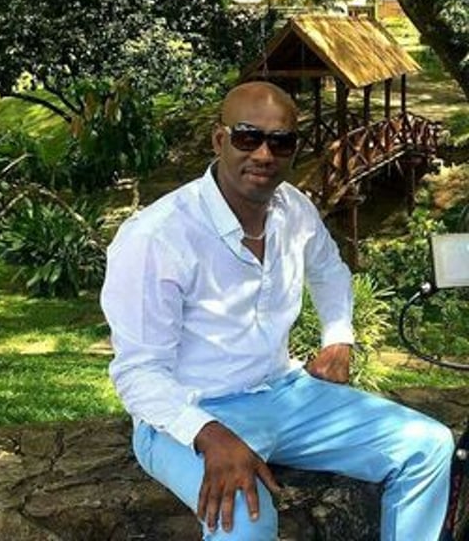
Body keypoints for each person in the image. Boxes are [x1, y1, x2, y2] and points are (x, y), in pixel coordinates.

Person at [100, 82, 454, 540]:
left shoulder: (294, 209)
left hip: (286, 393)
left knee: (428, 447)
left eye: (281, 141)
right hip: (187, 412)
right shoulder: (157, 236)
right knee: (244, 521)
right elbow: (138, 372)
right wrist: (209, 433)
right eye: (248, 137)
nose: (264, 154)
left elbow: (330, 272)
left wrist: (338, 337)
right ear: (219, 139)